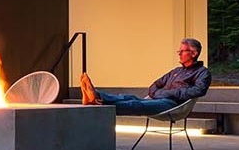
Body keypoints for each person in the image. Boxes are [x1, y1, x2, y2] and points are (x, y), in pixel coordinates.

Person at [80, 38, 211, 116]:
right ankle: (97, 95)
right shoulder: (176, 71)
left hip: (173, 105)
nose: (179, 54)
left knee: (134, 103)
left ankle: (97, 100)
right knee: (129, 97)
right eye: (179, 51)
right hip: (159, 99)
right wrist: (159, 93)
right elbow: (154, 85)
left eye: (182, 51)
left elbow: (198, 90)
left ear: (193, 53)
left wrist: (167, 93)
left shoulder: (202, 72)